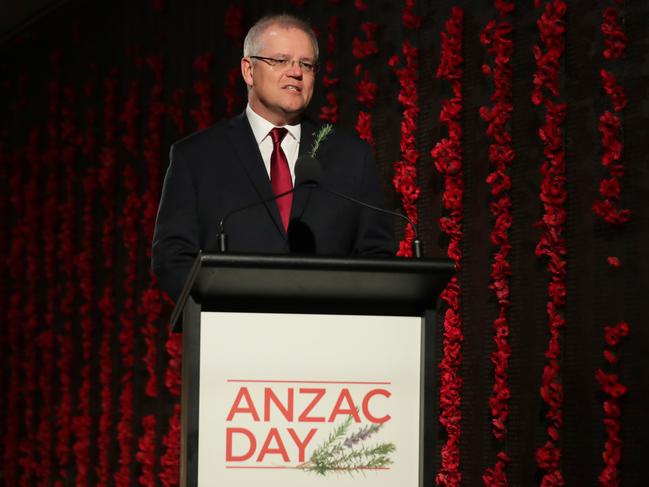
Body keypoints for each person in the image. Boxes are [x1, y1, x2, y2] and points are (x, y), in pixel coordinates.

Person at [152, 14, 396, 301]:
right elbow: (172, 259)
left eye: (306, 64)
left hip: (327, 334)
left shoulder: (351, 155)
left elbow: (377, 254)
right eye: (280, 61)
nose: (296, 72)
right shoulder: (196, 157)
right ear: (248, 70)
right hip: (232, 334)